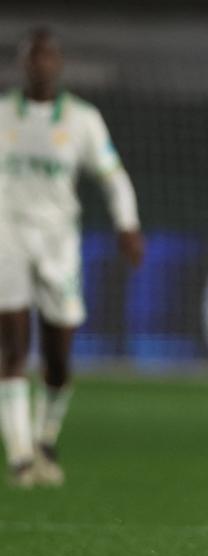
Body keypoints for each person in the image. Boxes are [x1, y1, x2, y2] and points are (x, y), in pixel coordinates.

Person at [0, 28, 144, 488]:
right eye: (31, 57)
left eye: (47, 57)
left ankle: (45, 435)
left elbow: (113, 176)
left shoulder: (82, 119)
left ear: (57, 64)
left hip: (59, 242)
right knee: (12, 348)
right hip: (7, 235)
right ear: (22, 65)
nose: (39, 64)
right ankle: (21, 455)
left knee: (59, 356)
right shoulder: (3, 114)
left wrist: (127, 224)